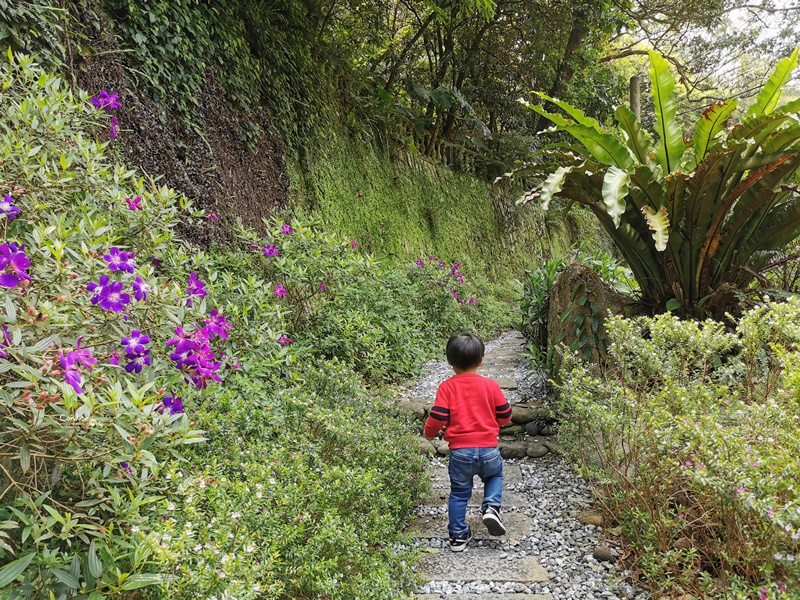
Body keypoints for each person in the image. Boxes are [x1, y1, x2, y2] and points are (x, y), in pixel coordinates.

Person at [424, 332, 513, 551]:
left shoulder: (447, 387)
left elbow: (438, 417)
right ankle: (491, 507)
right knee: (495, 475)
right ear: (481, 361)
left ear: (449, 362)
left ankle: (457, 537)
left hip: (460, 453)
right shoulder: (491, 386)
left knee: (459, 493)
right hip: (489, 450)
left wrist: (428, 433)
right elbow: (505, 415)